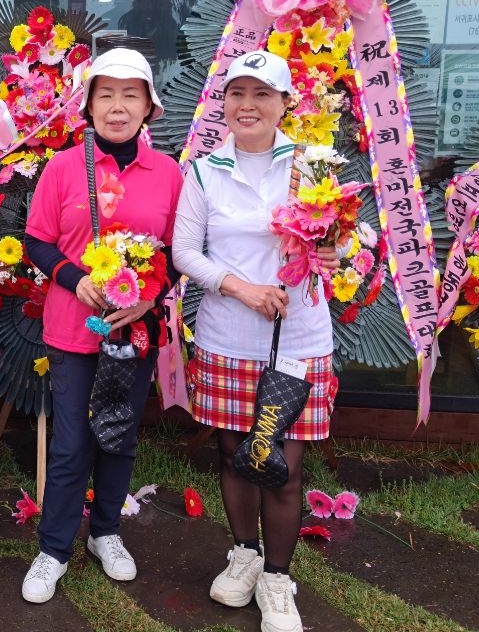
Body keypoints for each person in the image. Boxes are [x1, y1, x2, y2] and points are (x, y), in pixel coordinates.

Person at [172, 50, 340, 632]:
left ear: (284, 103)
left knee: (282, 468)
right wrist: (240, 288)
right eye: (237, 93)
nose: (248, 105)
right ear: (223, 103)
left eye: (262, 94)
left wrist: (334, 251)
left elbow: (341, 239)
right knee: (234, 457)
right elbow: (184, 251)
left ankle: (277, 579)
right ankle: (243, 553)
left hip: (298, 339)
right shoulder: (204, 171)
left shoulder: (312, 166)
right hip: (227, 337)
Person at [19, 48, 183, 603]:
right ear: (88, 106)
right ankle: (54, 548)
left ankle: (106, 532)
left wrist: (150, 296)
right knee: (70, 444)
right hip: (73, 330)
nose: (117, 107)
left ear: (148, 106)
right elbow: (37, 240)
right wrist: (74, 278)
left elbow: (178, 250)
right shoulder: (64, 167)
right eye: (105, 95)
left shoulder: (168, 173)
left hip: (135, 333)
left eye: (130, 95)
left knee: (119, 437)